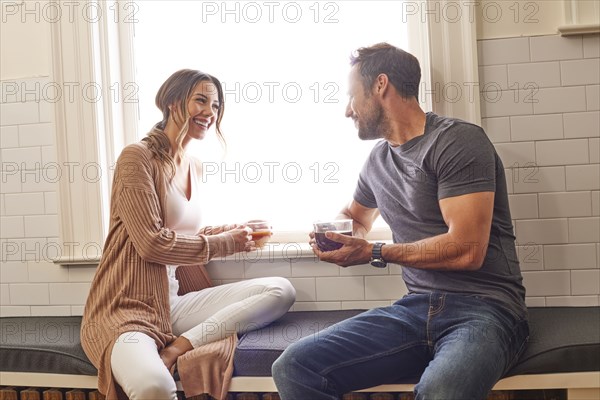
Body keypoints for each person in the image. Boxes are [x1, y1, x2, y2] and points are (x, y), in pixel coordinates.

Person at [272, 43, 529, 400]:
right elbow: (354, 215)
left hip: (486, 309)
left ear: (380, 85)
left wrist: (374, 251)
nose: (348, 110)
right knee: (294, 366)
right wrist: (336, 233)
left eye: (351, 96)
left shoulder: (457, 141)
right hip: (414, 309)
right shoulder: (378, 161)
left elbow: (467, 249)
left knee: (442, 391)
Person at [81, 69, 296, 400]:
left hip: (172, 304)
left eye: (216, 105)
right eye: (201, 100)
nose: (210, 112)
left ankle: (179, 346)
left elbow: (183, 234)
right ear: (172, 102)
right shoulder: (136, 158)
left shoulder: (192, 164)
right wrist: (224, 244)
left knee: (280, 290)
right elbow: (152, 242)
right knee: (154, 385)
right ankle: (163, 351)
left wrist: (235, 232)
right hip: (128, 309)